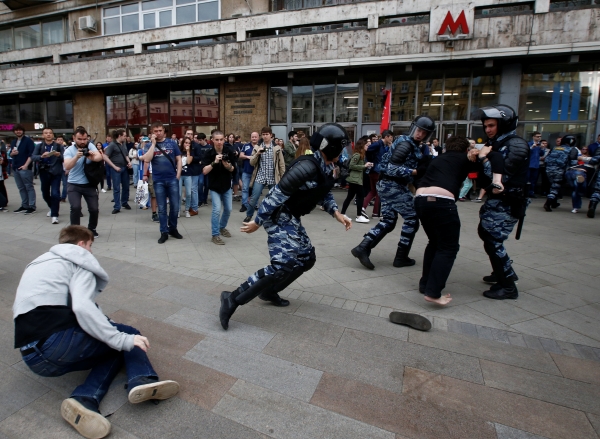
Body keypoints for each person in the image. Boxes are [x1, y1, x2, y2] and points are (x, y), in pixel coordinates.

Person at [13, 225, 179, 439]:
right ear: (82, 244)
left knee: (112, 345)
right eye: (90, 246)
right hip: (55, 342)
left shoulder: (40, 262)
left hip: (33, 356)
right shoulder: (78, 258)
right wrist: (121, 338)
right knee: (126, 336)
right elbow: (82, 306)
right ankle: (142, 380)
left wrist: (108, 330)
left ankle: (84, 400)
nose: (90, 251)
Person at [219, 123, 353, 330]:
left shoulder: (326, 166)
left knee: (306, 258)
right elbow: (277, 193)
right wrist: (257, 220)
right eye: (341, 147)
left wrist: (336, 213)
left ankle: (269, 291)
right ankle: (233, 298)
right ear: (332, 148)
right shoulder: (306, 166)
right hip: (277, 214)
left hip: (291, 215)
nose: (343, 152)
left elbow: (323, 191)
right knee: (282, 264)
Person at [351, 117, 436, 270]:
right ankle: (401, 257)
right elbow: (391, 168)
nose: (420, 134)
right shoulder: (406, 144)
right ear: (413, 128)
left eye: (424, 132)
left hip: (389, 185)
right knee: (411, 217)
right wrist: (416, 171)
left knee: (388, 221)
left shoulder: (411, 144)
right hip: (392, 185)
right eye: (419, 130)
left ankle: (362, 248)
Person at [415, 136, 481, 306]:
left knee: (435, 242)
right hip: (441, 200)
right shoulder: (464, 158)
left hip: (420, 198)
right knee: (448, 247)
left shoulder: (438, 158)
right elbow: (482, 166)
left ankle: (425, 284)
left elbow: (421, 169)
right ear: (465, 149)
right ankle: (433, 292)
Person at [476, 105, 529, 300]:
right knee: (486, 234)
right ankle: (502, 272)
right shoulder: (498, 142)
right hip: (498, 201)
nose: (487, 129)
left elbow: (498, 177)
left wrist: (482, 158)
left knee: (493, 240)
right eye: (485, 125)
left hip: (507, 202)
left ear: (504, 123)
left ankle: (508, 286)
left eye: (491, 125)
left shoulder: (515, 145)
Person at [142, 122, 183, 244]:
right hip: (158, 180)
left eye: (160, 130)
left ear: (164, 130)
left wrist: (178, 175)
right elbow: (147, 159)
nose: (158, 133)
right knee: (162, 209)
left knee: (175, 207)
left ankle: (173, 228)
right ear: (152, 132)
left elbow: (179, 158)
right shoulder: (149, 145)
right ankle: (163, 232)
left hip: (172, 179)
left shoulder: (171, 143)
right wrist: (153, 144)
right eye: (155, 131)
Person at [64, 127, 104, 238]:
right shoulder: (69, 150)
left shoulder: (90, 146)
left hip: (89, 184)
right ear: (74, 138)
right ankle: (75, 232)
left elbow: (99, 157)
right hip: (74, 184)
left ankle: (92, 229)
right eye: (80, 139)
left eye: (85, 139)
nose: (82, 141)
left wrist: (92, 157)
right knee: (76, 207)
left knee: (94, 209)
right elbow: (67, 166)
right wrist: (76, 156)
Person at [243, 127, 286, 223]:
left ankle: (274, 216)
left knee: (275, 198)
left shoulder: (277, 148)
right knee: (254, 198)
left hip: (273, 177)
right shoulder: (257, 147)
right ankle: (249, 215)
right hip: (260, 176)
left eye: (267, 134)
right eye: (263, 134)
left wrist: (282, 177)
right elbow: (251, 163)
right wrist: (257, 154)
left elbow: (281, 164)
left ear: (271, 135)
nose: (265, 136)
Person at [202, 131, 236, 245]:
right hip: (214, 186)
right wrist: (214, 162)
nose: (219, 142)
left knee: (228, 209)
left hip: (226, 185)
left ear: (224, 140)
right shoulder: (208, 153)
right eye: (217, 140)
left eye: (221, 139)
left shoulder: (229, 151)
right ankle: (215, 235)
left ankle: (222, 227)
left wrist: (228, 166)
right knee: (216, 210)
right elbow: (204, 171)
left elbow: (233, 169)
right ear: (212, 140)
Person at [32, 128, 64, 224]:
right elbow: (33, 156)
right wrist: (41, 156)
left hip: (56, 172)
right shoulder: (40, 146)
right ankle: (52, 207)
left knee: (55, 193)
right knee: (45, 193)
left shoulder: (58, 146)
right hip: (44, 171)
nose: (48, 134)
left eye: (50, 133)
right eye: (46, 133)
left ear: (53, 135)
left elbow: (65, 157)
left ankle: (54, 215)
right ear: (43, 135)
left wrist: (59, 155)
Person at [361, 130, 394, 219]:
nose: (391, 139)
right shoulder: (378, 144)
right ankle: (373, 211)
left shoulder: (382, 145)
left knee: (374, 191)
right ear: (386, 137)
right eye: (391, 137)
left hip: (376, 170)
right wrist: (372, 161)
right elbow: (368, 151)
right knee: (377, 191)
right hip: (376, 171)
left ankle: (368, 209)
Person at [340, 138, 373, 223]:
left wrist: (366, 166)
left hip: (356, 179)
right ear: (362, 145)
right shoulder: (358, 155)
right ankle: (358, 216)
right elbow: (352, 166)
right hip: (355, 179)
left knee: (350, 197)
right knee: (360, 196)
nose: (368, 147)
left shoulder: (361, 154)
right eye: (366, 145)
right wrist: (364, 166)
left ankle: (343, 213)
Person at [543, 136, 578, 212]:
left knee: (552, 186)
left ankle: (554, 203)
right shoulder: (572, 150)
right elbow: (573, 164)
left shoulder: (554, 148)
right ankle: (548, 203)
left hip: (548, 170)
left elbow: (546, 159)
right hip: (560, 171)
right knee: (555, 187)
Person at [104, 129, 133, 214]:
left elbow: (126, 155)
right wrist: (114, 166)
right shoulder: (112, 145)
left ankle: (124, 202)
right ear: (119, 136)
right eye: (124, 135)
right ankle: (117, 206)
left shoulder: (123, 144)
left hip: (124, 168)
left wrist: (129, 162)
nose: (126, 137)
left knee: (126, 186)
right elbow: (105, 157)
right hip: (116, 169)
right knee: (116, 188)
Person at [10, 124, 37, 214]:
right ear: (14, 131)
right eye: (16, 130)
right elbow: (10, 154)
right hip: (16, 167)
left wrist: (26, 165)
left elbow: (31, 154)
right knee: (21, 188)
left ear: (23, 131)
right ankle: (24, 205)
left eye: (20, 130)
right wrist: (12, 154)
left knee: (29, 187)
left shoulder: (28, 141)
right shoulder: (14, 141)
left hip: (25, 168)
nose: (18, 131)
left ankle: (32, 206)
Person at [566, 145, 593, 213]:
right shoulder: (578, 156)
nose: (584, 150)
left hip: (573, 171)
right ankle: (576, 206)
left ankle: (576, 207)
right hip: (578, 171)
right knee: (578, 188)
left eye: (586, 149)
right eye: (583, 149)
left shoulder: (589, 158)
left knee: (576, 189)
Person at [239, 132, 258, 213]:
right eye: (252, 137)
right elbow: (240, 155)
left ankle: (254, 204)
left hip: (257, 172)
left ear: (258, 137)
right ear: (250, 138)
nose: (254, 138)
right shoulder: (246, 146)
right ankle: (244, 205)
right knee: (245, 189)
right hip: (246, 171)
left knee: (255, 190)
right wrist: (248, 157)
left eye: (255, 137)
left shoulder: (261, 146)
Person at [527, 131, 543, 197]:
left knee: (533, 180)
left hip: (536, 165)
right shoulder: (529, 144)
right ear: (533, 137)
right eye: (537, 136)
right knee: (527, 179)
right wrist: (532, 147)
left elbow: (541, 154)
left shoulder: (539, 145)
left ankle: (531, 192)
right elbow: (526, 152)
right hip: (529, 165)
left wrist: (542, 148)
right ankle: (526, 192)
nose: (539, 138)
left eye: (540, 137)